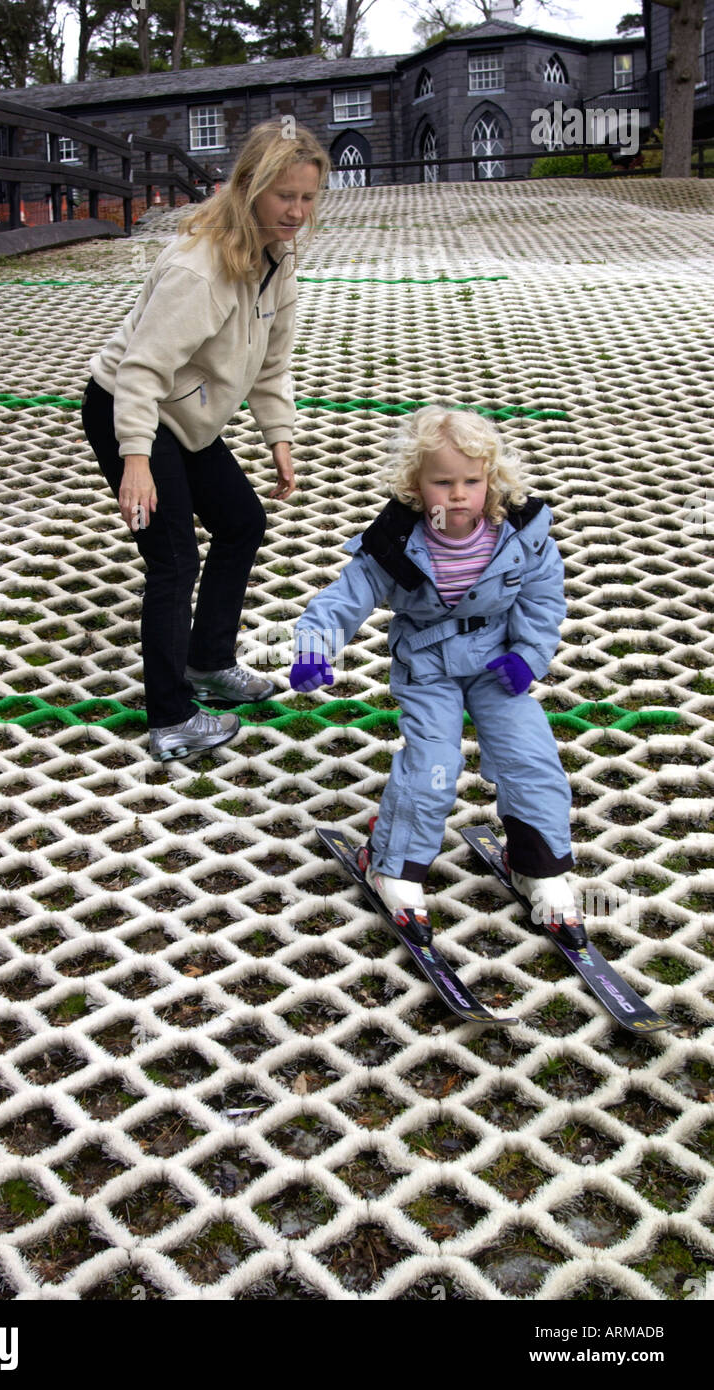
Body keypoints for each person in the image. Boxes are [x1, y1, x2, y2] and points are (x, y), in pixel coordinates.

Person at [82, 120, 331, 762]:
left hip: (185, 417)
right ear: (249, 189)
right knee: (173, 560)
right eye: (284, 197)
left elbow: (272, 361)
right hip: (131, 410)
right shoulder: (200, 273)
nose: (297, 212)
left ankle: (207, 662)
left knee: (243, 520)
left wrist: (279, 435)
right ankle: (169, 719)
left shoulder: (279, 258)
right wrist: (135, 460)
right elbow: (140, 371)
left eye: (307, 198)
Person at [290, 406, 579, 938]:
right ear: (415, 485)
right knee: (434, 765)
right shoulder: (396, 543)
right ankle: (394, 866)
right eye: (442, 482)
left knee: (530, 754)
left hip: (499, 664)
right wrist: (314, 649)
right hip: (429, 667)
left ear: (491, 478)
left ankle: (540, 865)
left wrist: (528, 656)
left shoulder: (520, 531)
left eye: (472, 480)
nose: (458, 494)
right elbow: (343, 600)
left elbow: (543, 599)